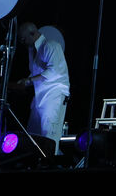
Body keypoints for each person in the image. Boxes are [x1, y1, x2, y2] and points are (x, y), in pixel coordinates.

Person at [16, 22, 70, 155]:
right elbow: (36, 72)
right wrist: (25, 81)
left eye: (23, 38)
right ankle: (37, 164)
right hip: (41, 96)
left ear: (32, 33)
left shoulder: (51, 45)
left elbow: (53, 71)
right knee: (33, 135)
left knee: (49, 135)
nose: (22, 42)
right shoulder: (33, 50)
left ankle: (52, 165)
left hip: (54, 95)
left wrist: (29, 80)